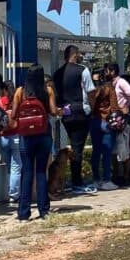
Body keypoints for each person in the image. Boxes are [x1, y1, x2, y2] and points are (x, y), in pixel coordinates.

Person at [12, 64, 61, 221]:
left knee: (26, 172)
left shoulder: (21, 91)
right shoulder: (48, 91)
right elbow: (53, 111)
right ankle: (44, 210)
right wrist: (60, 111)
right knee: (41, 172)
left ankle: (23, 213)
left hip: (26, 137)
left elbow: (13, 114)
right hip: (44, 134)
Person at [53, 45, 97, 194]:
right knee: (78, 148)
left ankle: (74, 180)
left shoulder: (57, 73)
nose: (80, 56)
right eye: (79, 54)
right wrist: (92, 109)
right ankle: (77, 182)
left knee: (74, 145)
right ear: (75, 54)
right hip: (80, 112)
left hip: (65, 113)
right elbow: (91, 91)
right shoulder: (82, 70)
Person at [107, 62, 130, 187]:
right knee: (114, 150)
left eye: (107, 71)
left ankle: (126, 176)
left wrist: (126, 107)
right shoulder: (110, 85)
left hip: (123, 121)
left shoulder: (121, 83)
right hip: (113, 121)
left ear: (112, 71)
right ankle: (116, 175)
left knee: (124, 150)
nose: (105, 74)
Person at [89, 78, 120, 191]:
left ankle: (96, 179)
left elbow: (90, 106)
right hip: (107, 121)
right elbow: (115, 106)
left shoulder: (92, 91)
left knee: (96, 151)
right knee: (107, 152)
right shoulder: (110, 89)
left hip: (94, 121)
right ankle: (107, 180)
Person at [0, 80, 21, 204]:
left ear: (4, 89)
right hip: (16, 135)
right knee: (16, 167)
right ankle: (14, 194)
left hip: (3, 136)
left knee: (8, 167)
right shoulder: (17, 100)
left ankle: (10, 193)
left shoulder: (0, 101)